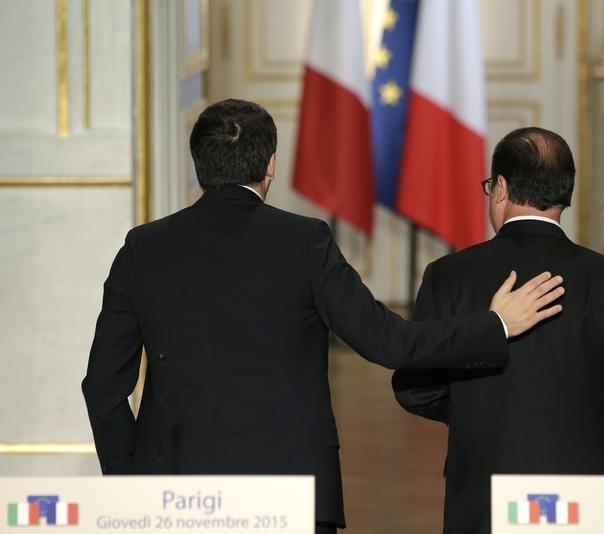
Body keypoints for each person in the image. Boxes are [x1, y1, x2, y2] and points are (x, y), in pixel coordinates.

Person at [81, 100, 565, 534]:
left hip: (171, 493)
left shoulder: (142, 249)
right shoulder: (303, 242)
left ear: (199, 166)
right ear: (270, 166)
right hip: (289, 494)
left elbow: (103, 387)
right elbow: (388, 342)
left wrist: (130, 485)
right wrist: (495, 324)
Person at [392, 127, 604, 534]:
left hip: (483, 500)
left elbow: (414, 387)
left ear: (501, 188)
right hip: (593, 507)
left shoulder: (448, 277)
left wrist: (479, 406)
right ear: (566, 192)